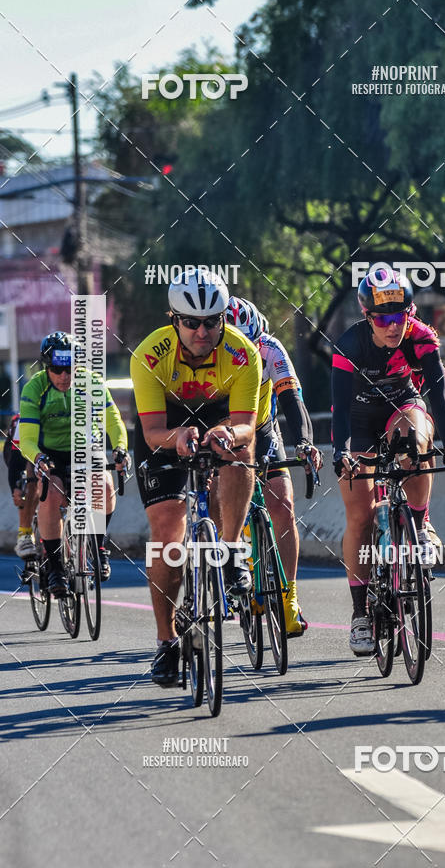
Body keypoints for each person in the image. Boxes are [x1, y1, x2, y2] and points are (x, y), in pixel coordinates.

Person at [130, 272, 264, 687]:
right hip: (165, 427)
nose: (202, 331)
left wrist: (227, 434)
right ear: (174, 319)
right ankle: (167, 643)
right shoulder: (149, 355)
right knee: (168, 538)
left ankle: (231, 546)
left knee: (239, 452)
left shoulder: (243, 354)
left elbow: (247, 426)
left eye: (212, 321)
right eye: (191, 322)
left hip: (217, 416)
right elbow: (152, 433)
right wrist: (179, 437)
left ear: (224, 318)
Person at [331, 268, 445, 655]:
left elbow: (439, 392)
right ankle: (360, 614)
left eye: (401, 316)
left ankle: (420, 523)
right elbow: (339, 408)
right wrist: (342, 452)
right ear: (366, 315)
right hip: (357, 420)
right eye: (383, 319)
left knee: (414, 437)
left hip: (400, 409)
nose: (393, 327)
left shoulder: (421, 337)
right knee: (359, 516)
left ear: (411, 312)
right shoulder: (349, 344)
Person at [226, 296, 323, 637]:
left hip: (262, 427)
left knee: (282, 504)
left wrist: (305, 443)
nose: (248, 356)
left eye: (252, 346)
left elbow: (292, 399)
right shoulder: (208, 354)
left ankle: (289, 597)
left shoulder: (270, 348)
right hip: (220, 430)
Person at [19, 332, 129, 597]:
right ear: (47, 366)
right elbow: (27, 440)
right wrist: (39, 459)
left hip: (85, 448)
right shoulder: (35, 388)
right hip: (50, 452)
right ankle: (55, 566)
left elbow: (113, 421)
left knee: (104, 484)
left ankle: (99, 547)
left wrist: (120, 448)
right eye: (57, 369)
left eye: (70, 369)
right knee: (51, 494)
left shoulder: (91, 383)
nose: (65, 376)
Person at [3, 414, 40, 567]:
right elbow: (16, 460)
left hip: (52, 448)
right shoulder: (25, 417)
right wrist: (16, 488)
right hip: (19, 451)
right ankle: (24, 534)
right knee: (30, 479)